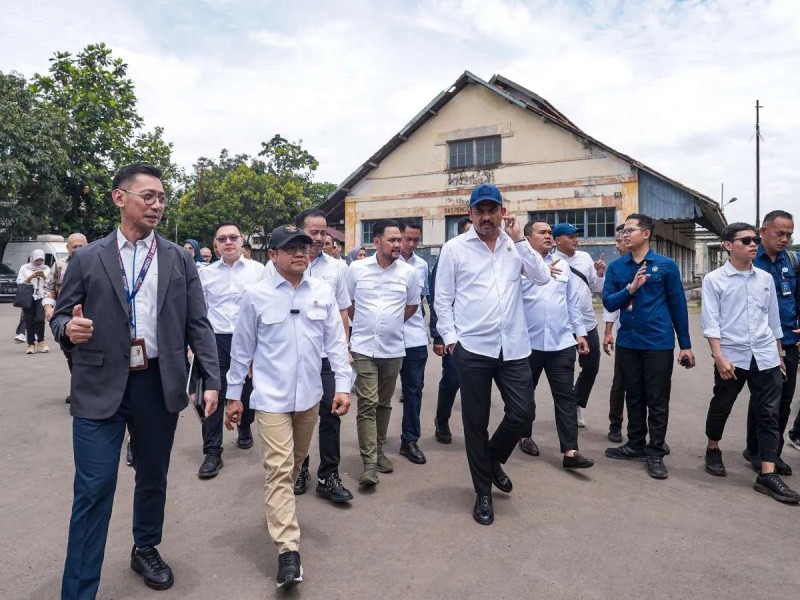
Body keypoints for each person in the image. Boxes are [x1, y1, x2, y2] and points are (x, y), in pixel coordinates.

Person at [51, 163, 220, 598]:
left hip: (157, 384)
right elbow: (62, 316)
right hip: (98, 384)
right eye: (148, 196)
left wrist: (211, 379)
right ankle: (78, 590)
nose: (157, 204)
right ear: (119, 198)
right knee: (93, 488)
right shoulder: (87, 258)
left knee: (152, 475)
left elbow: (198, 322)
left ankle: (145, 547)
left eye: (161, 198)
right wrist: (69, 329)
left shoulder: (179, 258)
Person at [225, 224, 351, 590]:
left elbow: (336, 343)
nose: (300, 253)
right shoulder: (256, 295)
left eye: (304, 247)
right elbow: (241, 351)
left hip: (309, 398)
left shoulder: (322, 292)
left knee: (293, 466)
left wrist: (343, 386)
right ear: (273, 255)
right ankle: (287, 550)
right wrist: (234, 396)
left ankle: (279, 511)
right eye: (290, 247)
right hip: (271, 399)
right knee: (279, 471)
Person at [434, 183, 551, 525]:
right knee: (476, 422)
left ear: (503, 211)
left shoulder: (515, 246)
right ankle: (483, 492)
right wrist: (451, 340)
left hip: (513, 346)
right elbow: (442, 299)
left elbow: (542, 277)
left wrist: (521, 242)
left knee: (523, 413)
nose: (486, 217)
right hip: (472, 348)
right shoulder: (454, 249)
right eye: (480, 211)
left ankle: (492, 458)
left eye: (492, 210)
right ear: (470, 214)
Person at [701, 222, 798, 503]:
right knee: (722, 405)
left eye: (755, 239)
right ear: (728, 245)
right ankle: (713, 447)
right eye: (746, 240)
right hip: (732, 356)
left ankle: (767, 473)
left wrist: (779, 355)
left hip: (765, 355)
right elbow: (711, 322)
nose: (753, 244)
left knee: (768, 413)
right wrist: (718, 356)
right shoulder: (715, 280)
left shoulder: (764, 278)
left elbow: (773, 320)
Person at [603, 213, 695, 480]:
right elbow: (609, 302)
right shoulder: (617, 268)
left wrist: (685, 345)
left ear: (646, 234)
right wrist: (630, 289)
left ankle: (655, 451)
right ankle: (635, 444)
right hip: (628, 342)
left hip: (658, 342)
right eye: (623, 230)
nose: (624, 234)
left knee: (657, 398)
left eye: (630, 230)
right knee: (633, 396)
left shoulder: (665, 266)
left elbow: (678, 305)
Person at [285, 209, 354, 504]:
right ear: (300, 231)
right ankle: (299, 468)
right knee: (296, 413)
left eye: (323, 232)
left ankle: (329, 475)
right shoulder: (282, 264)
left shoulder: (337, 268)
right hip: (294, 355)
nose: (319, 237)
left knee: (331, 412)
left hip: (326, 356)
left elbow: (343, 313)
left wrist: (345, 352)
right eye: (313, 232)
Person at [345, 219, 420, 486]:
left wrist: (391, 323)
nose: (398, 244)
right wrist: (364, 325)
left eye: (399, 239)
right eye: (392, 240)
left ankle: (377, 450)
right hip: (363, 347)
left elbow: (412, 306)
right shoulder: (356, 269)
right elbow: (348, 303)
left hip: (393, 349)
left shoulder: (409, 273)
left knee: (384, 403)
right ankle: (369, 464)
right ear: (376, 242)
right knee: (367, 402)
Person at [518, 221, 594, 469]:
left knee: (565, 397)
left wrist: (580, 333)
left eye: (550, 232)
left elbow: (572, 303)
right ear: (527, 238)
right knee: (524, 395)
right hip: (527, 344)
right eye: (542, 232)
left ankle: (571, 451)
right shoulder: (518, 266)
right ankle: (524, 435)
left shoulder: (563, 265)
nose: (548, 236)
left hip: (561, 343)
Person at [197, 223, 264, 479]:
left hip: (248, 340)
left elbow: (265, 307)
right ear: (215, 244)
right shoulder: (206, 274)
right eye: (222, 239)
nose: (228, 242)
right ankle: (212, 451)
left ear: (242, 240)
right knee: (213, 393)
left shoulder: (258, 271)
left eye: (233, 237)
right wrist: (194, 346)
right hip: (216, 340)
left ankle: (245, 424)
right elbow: (199, 312)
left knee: (246, 389)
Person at [746, 210, 800, 472]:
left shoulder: (793, 261)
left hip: (788, 342)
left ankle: (773, 452)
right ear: (763, 231)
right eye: (780, 233)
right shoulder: (749, 259)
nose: (785, 239)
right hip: (757, 342)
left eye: (789, 234)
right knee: (763, 399)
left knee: (784, 400)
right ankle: (755, 450)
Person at [552, 222, 606, 428]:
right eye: (571, 236)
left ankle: (575, 402)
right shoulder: (551, 261)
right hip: (563, 326)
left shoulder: (584, 257)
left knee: (591, 367)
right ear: (558, 240)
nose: (576, 240)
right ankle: (568, 410)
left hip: (587, 322)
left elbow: (595, 287)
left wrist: (599, 274)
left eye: (577, 236)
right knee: (565, 370)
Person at [430, 216, 471, 443]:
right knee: (452, 379)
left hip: (480, 334)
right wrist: (439, 336)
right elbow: (439, 299)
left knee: (476, 386)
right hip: (454, 334)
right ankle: (442, 420)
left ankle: (475, 430)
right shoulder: (450, 255)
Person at [397, 218, 430, 464]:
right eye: (407, 239)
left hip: (416, 337)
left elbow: (424, 300)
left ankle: (409, 439)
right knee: (378, 395)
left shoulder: (422, 265)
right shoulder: (384, 264)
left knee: (414, 390)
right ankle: (374, 442)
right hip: (386, 339)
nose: (411, 244)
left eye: (415, 240)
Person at [43, 233, 88, 402]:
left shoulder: (95, 263)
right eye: (74, 247)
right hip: (66, 318)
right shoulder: (59, 266)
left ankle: (85, 391)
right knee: (71, 354)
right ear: (67, 248)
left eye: (81, 246)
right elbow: (49, 288)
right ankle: (78, 389)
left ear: (88, 245)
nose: (78, 249)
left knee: (88, 355)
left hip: (89, 316)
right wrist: (48, 307)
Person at [602, 225, 628, 443]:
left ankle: (653, 435)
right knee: (620, 382)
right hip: (625, 336)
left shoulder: (657, 266)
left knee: (650, 389)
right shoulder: (616, 268)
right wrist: (608, 331)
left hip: (651, 338)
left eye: (619, 241)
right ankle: (615, 424)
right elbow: (610, 303)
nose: (617, 245)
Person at [17, 249, 51, 354]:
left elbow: (50, 282)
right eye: (37, 260)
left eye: (41, 260)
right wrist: (31, 277)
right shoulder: (25, 268)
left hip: (41, 295)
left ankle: (41, 341)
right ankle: (31, 344)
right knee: (29, 320)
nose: (39, 262)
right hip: (29, 296)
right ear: (32, 259)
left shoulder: (46, 268)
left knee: (40, 319)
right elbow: (19, 281)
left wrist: (43, 276)